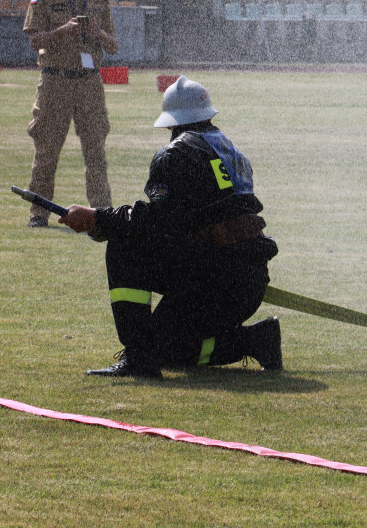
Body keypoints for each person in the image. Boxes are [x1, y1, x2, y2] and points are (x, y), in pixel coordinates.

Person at [58, 76, 282, 378]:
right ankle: (256, 340)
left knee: (124, 246)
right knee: (165, 350)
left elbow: (155, 223)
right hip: (249, 282)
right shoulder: (230, 150)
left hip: (213, 282)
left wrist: (99, 219)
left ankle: (138, 357)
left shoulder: (175, 154)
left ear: (170, 122)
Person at [22, 0, 118, 228]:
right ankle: (39, 213)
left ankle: (102, 214)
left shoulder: (99, 2)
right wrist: (63, 30)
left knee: (95, 154)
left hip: (89, 85)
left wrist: (96, 32)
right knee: (47, 152)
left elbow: (113, 46)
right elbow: (34, 40)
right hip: (55, 82)